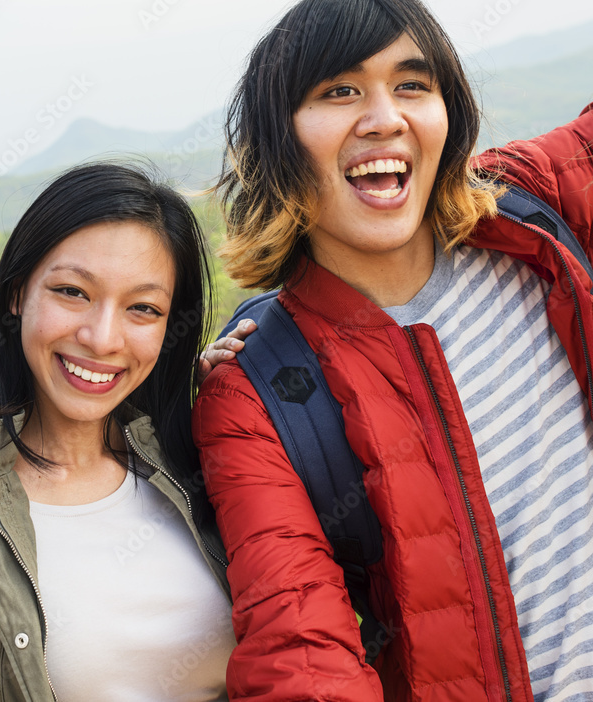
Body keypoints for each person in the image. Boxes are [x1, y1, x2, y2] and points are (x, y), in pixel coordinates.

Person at [192, 0, 593, 699]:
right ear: (277, 137)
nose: (384, 117)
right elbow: (299, 646)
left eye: (413, 84)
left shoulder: (532, 212)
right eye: (339, 91)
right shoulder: (256, 388)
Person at [0, 162, 238, 700]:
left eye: (143, 308)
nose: (101, 338)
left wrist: (244, 408)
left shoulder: (205, 461)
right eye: (73, 292)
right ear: (16, 293)